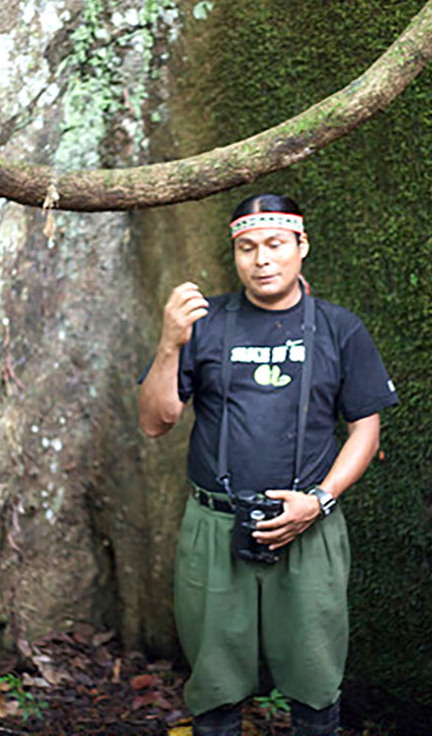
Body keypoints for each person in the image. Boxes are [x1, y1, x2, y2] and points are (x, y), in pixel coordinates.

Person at [138, 193, 398, 736]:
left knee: (315, 679)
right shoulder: (205, 326)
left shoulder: (338, 329)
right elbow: (156, 421)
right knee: (213, 683)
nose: (262, 260)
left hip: (310, 525)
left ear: (302, 246)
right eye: (247, 247)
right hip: (215, 524)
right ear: (234, 254)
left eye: (276, 244)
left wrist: (320, 500)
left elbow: (366, 431)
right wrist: (169, 344)